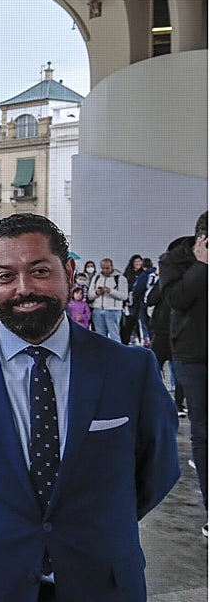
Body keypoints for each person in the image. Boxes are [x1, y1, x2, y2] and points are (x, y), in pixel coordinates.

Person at [0, 213, 179, 602]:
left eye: (40, 271)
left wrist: (92, 524)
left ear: (68, 272)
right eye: (5, 277)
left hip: (100, 585)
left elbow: (158, 469)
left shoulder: (129, 369)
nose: (24, 289)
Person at [160, 211, 208, 536]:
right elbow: (176, 301)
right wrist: (202, 266)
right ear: (201, 236)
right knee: (204, 432)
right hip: (195, 355)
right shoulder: (174, 260)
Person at [148, 258, 186, 417]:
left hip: (172, 331)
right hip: (169, 332)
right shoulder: (169, 283)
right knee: (165, 369)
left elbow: (151, 300)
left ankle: (172, 403)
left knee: (169, 369)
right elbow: (151, 299)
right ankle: (170, 403)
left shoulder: (176, 283)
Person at [88, 257, 128, 340]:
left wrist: (110, 291)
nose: (105, 270)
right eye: (103, 268)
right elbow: (90, 295)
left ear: (112, 267)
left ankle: (116, 352)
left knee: (114, 336)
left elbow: (124, 296)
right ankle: (102, 352)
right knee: (100, 337)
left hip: (113, 310)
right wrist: (97, 293)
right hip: (98, 309)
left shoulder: (120, 278)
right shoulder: (96, 278)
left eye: (107, 268)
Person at [131, 257, 156, 345]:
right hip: (156, 302)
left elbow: (139, 288)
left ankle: (147, 339)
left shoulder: (145, 274)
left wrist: (134, 297)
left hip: (144, 301)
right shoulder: (157, 273)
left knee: (143, 321)